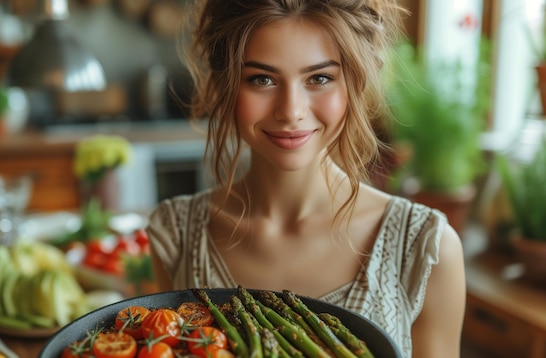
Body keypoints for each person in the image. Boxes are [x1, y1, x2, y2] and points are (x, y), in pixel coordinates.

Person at [145, 1, 466, 357]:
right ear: (225, 84)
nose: (291, 111)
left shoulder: (425, 248)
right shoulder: (175, 233)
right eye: (262, 79)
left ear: (355, 83)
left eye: (319, 78)